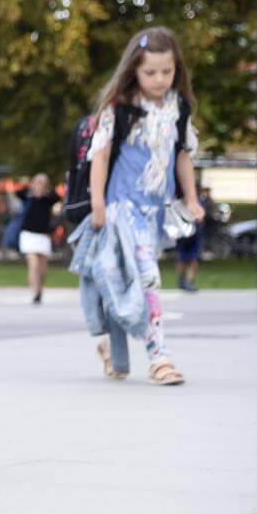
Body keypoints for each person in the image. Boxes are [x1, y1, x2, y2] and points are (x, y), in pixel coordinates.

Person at [85, 27, 203, 385]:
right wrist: (98, 204)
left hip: (155, 210)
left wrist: (192, 199)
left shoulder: (177, 108)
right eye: (150, 72)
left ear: (176, 69)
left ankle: (110, 346)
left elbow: (183, 155)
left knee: (124, 282)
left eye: (167, 71)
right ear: (134, 69)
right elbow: (100, 157)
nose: (159, 79)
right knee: (149, 278)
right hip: (122, 209)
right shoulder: (120, 109)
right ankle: (159, 357)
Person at [15, 173, 59, 304]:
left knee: (43, 268)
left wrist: (46, 190)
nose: (39, 186)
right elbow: (18, 191)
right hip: (28, 234)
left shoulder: (48, 199)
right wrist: (30, 185)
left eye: (42, 183)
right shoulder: (27, 197)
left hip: (43, 236)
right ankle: (34, 292)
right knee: (33, 263)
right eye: (37, 183)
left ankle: (39, 289)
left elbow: (57, 196)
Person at [174, 186, 215, 292]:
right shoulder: (195, 202)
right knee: (187, 258)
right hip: (188, 234)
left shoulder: (181, 201)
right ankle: (185, 280)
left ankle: (185, 280)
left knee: (188, 258)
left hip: (189, 233)